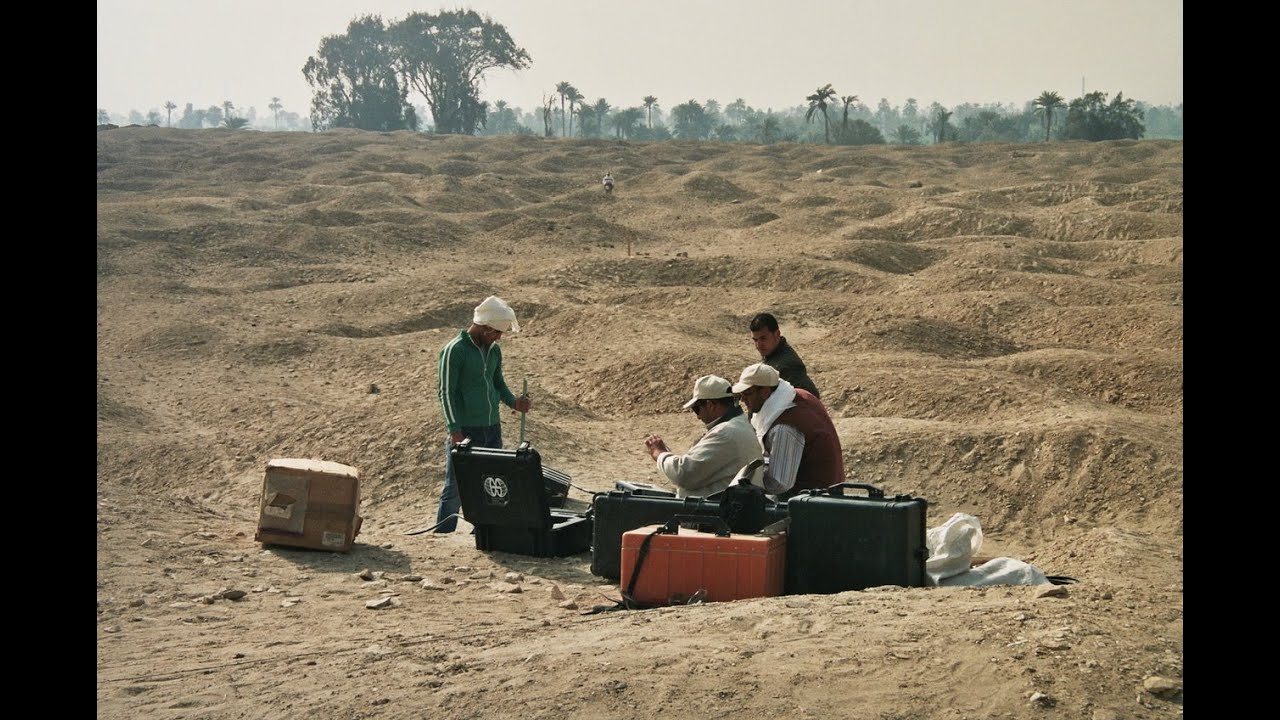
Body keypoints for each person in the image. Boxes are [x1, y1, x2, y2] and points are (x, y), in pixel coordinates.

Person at [433, 295, 531, 533]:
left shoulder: (494, 351)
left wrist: (514, 402)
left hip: (492, 428)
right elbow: (446, 393)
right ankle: (443, 533)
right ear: (485, 328)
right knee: (456, 486)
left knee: (491, 483)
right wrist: (454, 430)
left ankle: (485, 532)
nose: (498, 338)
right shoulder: (454, 351)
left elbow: (498, 383)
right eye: (496, 333)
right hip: (466, 430)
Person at [731, 362, 844, 501]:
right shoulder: (797, 395)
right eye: (740, 395)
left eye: (747, 393)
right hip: (827, 493)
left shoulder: (784, 426)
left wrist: (746, 481)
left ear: (765, 392)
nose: (742, 399)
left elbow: (779, 483)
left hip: (813, 502)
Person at [643, 375, 762, 498]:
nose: (698, 416)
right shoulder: (737, 425)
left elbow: (684, 474)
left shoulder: (725, 432)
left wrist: (660, 454)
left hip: (715, 508)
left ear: (711, 405)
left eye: (697, 409)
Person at [749, 312, 820, 399]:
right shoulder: (771, 355)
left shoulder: (788, 366)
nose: (758, 345)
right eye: (755, 340)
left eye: (763, 338)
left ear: (777, 334)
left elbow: (810, 397)